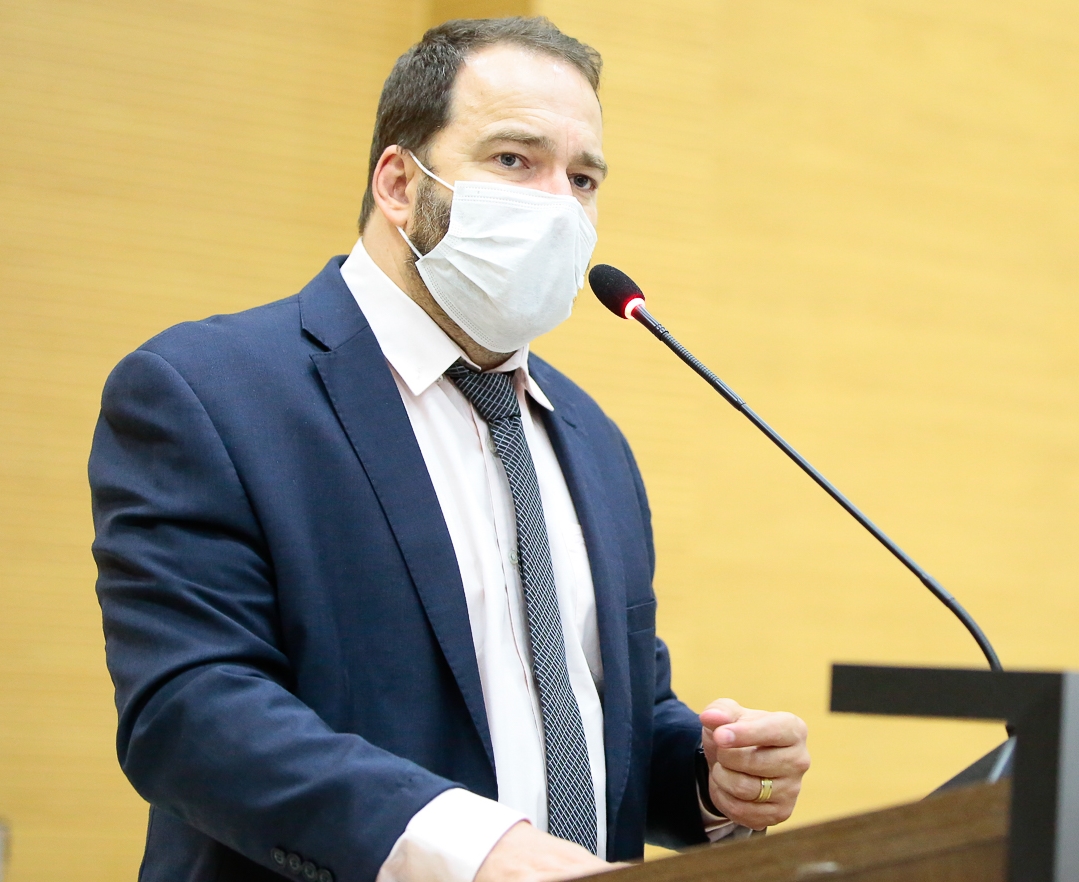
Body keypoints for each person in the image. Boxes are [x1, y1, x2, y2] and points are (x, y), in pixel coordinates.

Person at [89, 17, 810, 882]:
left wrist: (706, 779)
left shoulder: (592, 439)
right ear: (399, 183)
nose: (558, 206)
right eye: (514, 160)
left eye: (582, 179)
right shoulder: (209, 392)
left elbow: (598, 715)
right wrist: (475, 851)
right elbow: (191, 713)